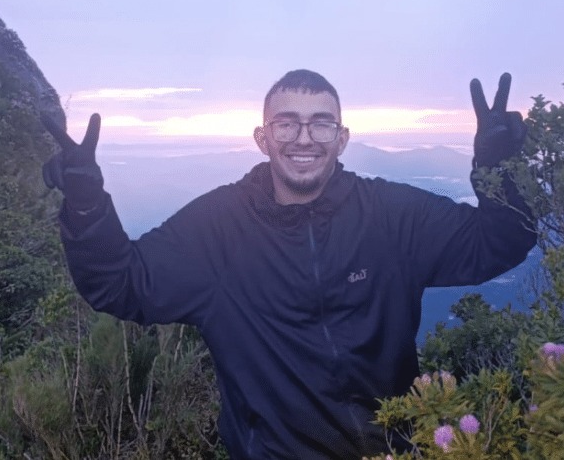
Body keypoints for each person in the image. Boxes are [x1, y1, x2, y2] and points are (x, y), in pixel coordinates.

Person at [41, 69, 536, 459]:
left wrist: (498, 171)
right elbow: (121, 284)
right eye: (287, 122)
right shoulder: (218, 228)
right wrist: (87, 206)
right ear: (263, 137)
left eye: (321, 122)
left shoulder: (390, 216)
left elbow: (498, 243)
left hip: (395, 451)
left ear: (342, 138)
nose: (305, 137)